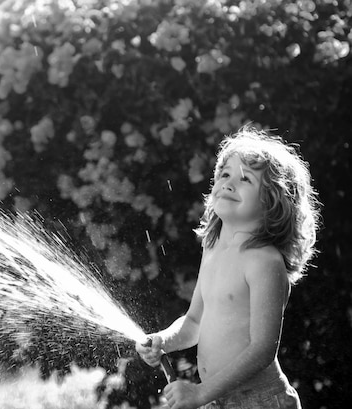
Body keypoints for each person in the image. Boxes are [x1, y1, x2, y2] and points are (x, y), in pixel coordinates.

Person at [137, 127, 320, 409]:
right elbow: (194, 322)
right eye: (224, 174)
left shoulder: (264, 261)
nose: (229, 183)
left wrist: (199, 393)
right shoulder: (213, 246)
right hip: (216, 398)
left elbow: (262, 352)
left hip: (258, 402)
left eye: (245, 179)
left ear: (273, 201)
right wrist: (162, 340)